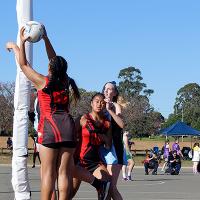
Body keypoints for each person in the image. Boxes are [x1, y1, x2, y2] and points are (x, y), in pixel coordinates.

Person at [6, 25, 80, 200]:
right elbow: (55, 60)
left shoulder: (43, 82)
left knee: (48, 174)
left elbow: (23, 64)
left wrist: (21, 43)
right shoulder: (66, 81)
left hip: (50, 128)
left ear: (51, 69)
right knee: (63, 173)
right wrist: (46, 39)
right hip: (68, 128)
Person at [72, 93, 111, 200]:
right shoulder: (82, 118)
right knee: (69, 194)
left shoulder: (107, 123)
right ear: (91, 103)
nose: (99, 104)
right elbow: (71, 137)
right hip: (78, 160)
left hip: (94, 161)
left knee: (107, 183)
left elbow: (108, 145)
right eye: (97, 101)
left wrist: (101, 136)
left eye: (102, 102)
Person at [102, 81, 125, 200]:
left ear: (115, 92)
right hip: (101, 149)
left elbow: (121, 124)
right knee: (103, 187)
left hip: (115, 148)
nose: (106, 90)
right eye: (105, 88)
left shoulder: (116, 106)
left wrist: (109, 110)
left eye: (110, 89)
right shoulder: (98, 104)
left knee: (111, 187)